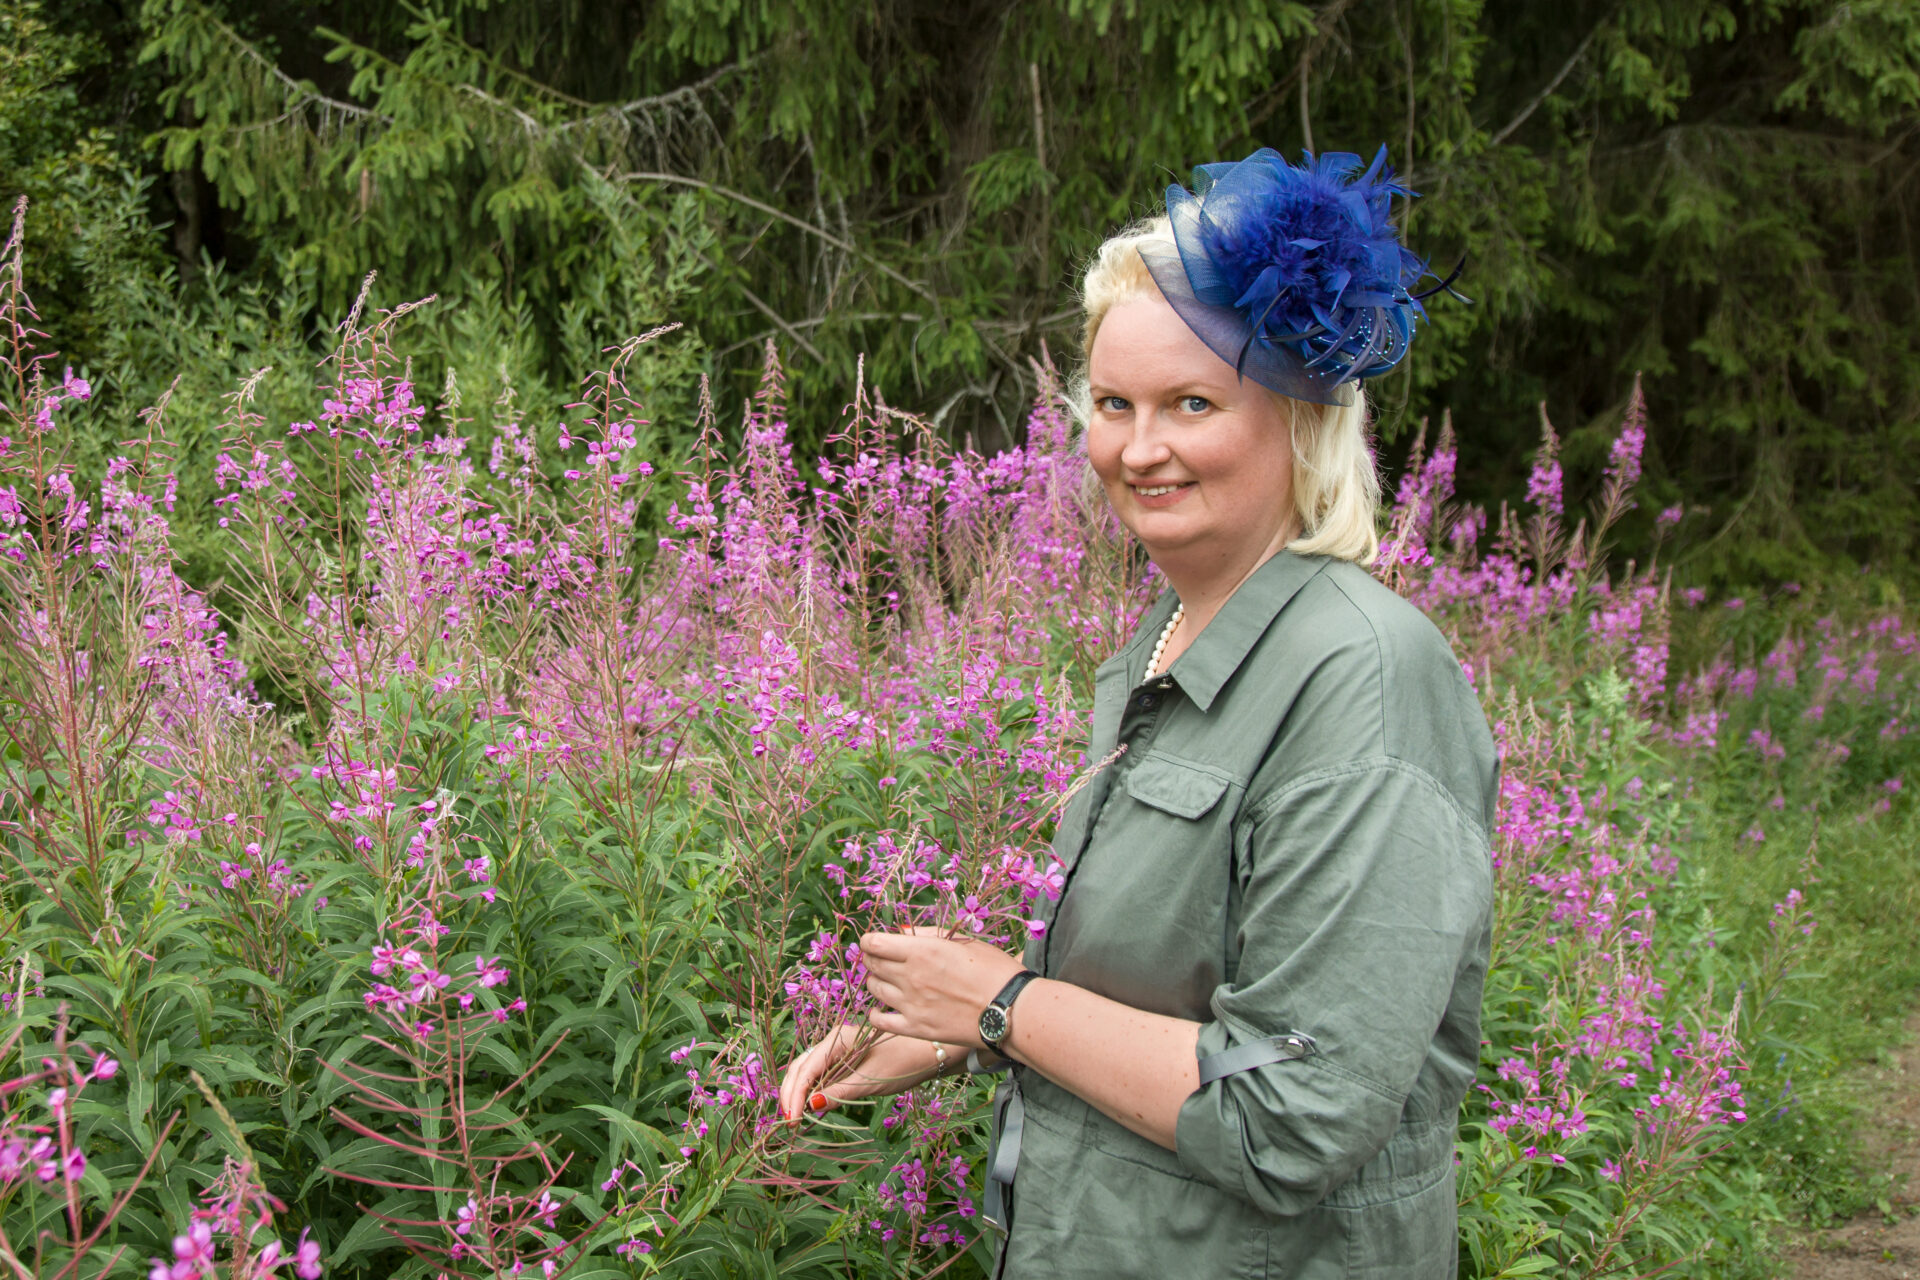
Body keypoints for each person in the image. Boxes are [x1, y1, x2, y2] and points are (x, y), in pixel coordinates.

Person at [778, 146, 1496, 1279]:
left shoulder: (1363, 676)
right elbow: (1168, 988)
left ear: (1300, 422)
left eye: (1192, 402)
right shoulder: (1170, 646)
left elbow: (1294, 1109)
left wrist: (1003, 1004)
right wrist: (954, 1030)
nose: (1138, 445)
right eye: (1113, 404)